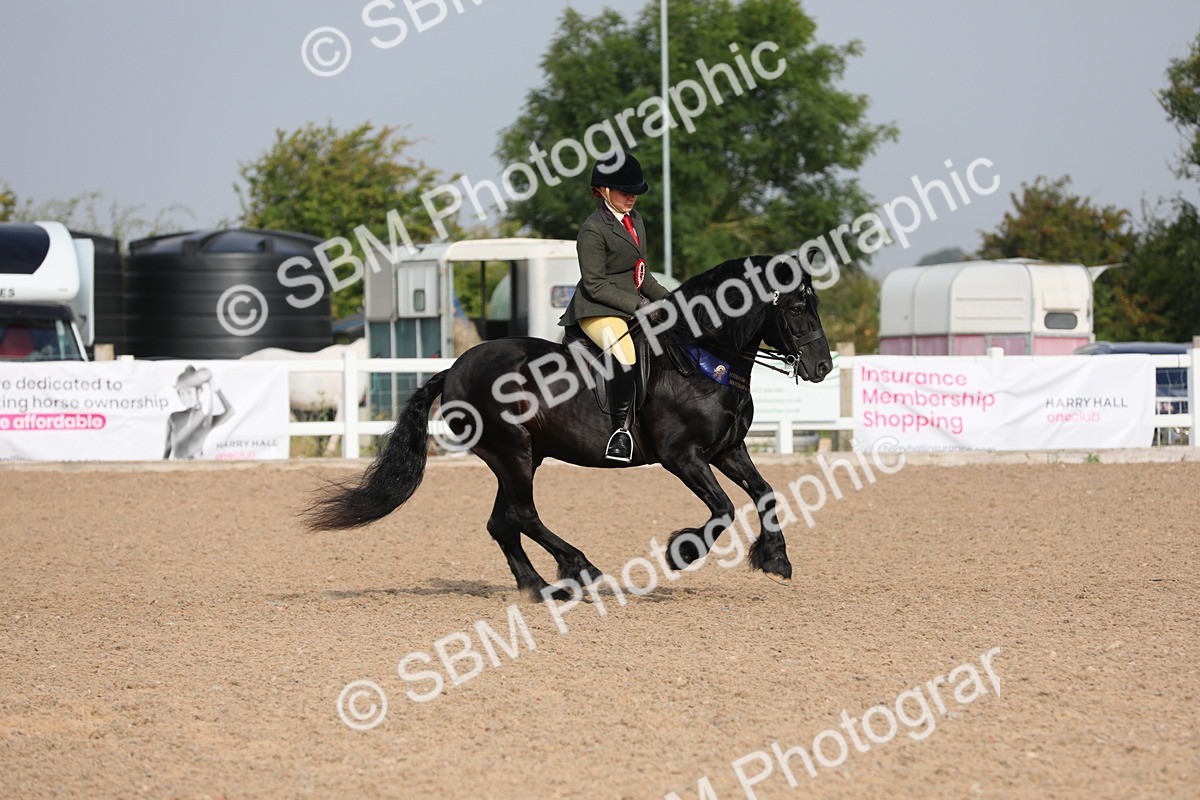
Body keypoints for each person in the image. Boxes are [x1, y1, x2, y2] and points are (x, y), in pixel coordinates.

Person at [559, 150, 670, 462]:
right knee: (626, 353)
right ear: (604, 191)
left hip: (630, 305)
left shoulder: (635, 221)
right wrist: (639, 305)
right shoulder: (592, 230)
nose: (631, 198)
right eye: (625, 192)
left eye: (635, 192)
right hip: (596, 309)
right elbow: (594, 283)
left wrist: (668, 299)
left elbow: (640, 272)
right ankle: (620, 432)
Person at [164, 365, 236, 459]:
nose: (185, 397)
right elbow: (168, 445)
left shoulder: (206, 420)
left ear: (198, 392)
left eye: (189, 392)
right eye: (182, 393)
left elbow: (230, 411)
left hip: (197, 465)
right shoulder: (174, 417)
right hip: (176, 466)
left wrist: (217, 390)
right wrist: (162, 464)